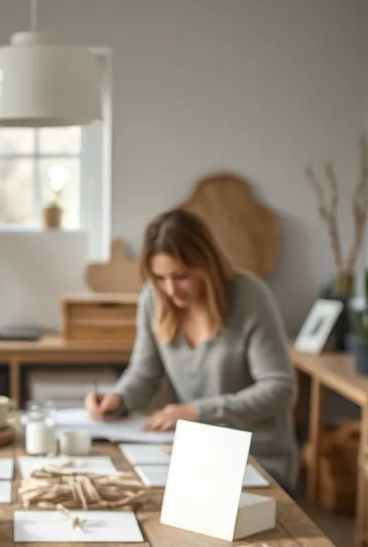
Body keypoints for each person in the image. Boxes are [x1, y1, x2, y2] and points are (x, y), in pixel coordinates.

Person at [84, 208, 298, 488]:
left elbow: (280, 389)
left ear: (206, 265)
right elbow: (144, 374)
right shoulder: (154, 298)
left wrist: (198, 412)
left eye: (181, 276)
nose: (170, 289)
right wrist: (118, 399)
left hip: (258, 459)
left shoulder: (249, 296)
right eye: (159, 278)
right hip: (192, 454)